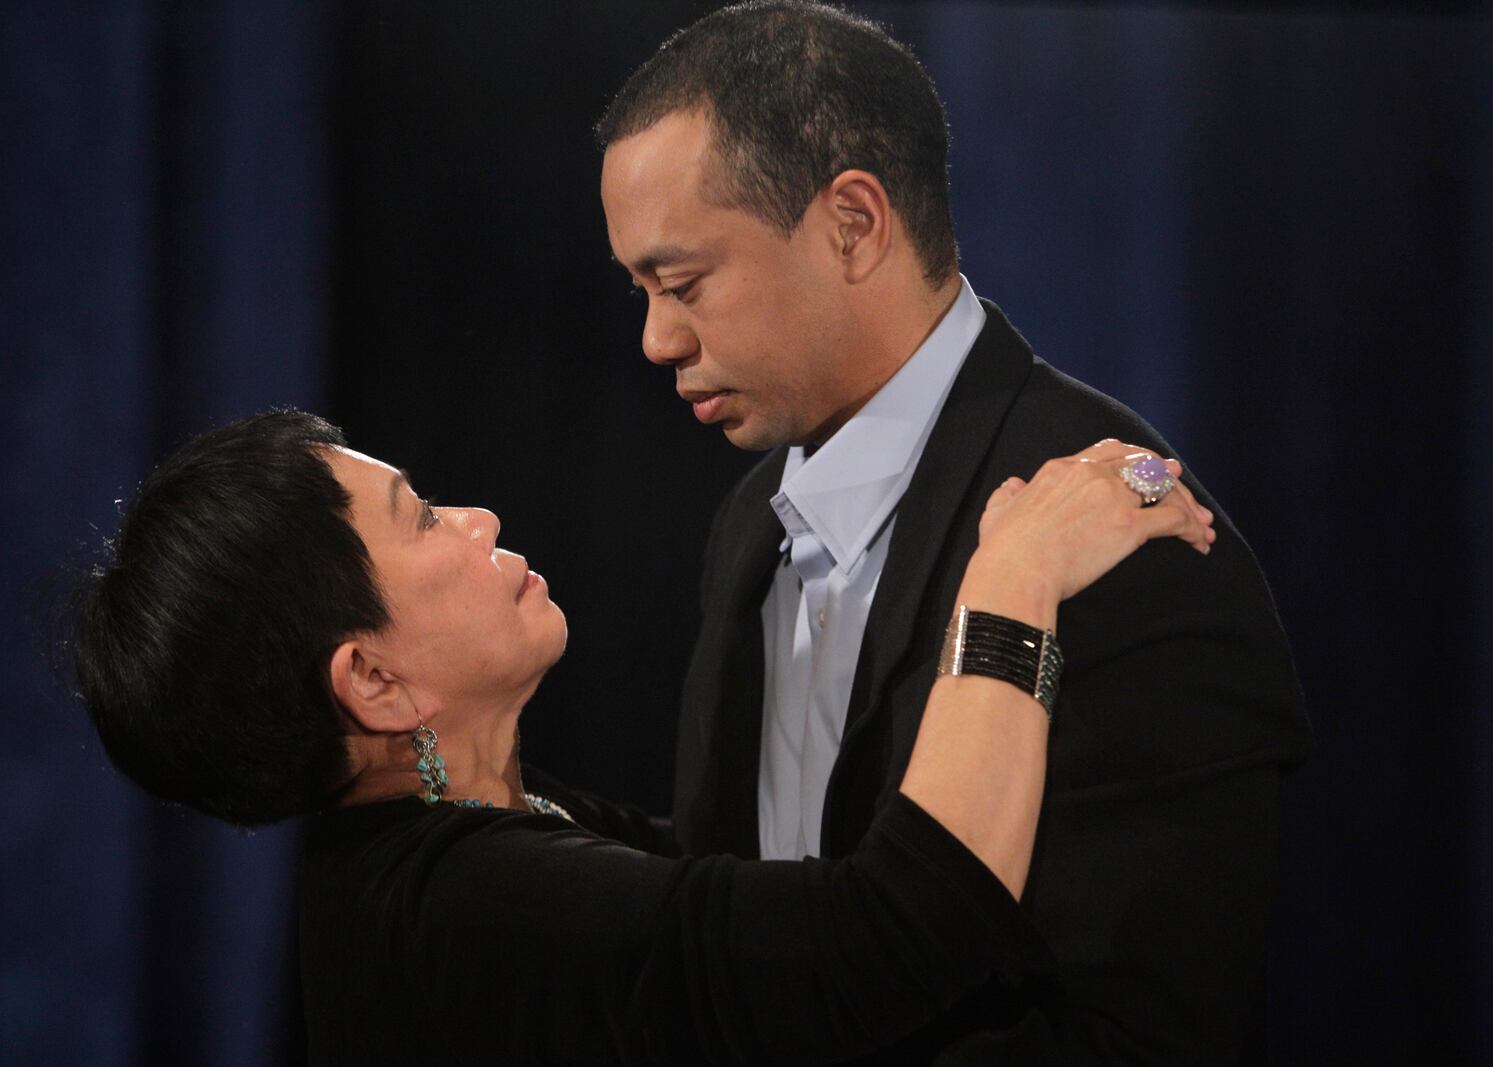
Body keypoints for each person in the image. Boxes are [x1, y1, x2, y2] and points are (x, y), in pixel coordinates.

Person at [596, 2, 1313, 1060]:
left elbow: (1145, 1029)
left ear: (852, 223)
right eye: (641, 291)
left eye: (683, 281)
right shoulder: (749, 527)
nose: (657, 338)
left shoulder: (1124, 539)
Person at [71, 410, 1213, 1064]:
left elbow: (781, 889)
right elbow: (906, 932)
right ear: (372, 679)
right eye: (419, 518)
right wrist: (1014, 578)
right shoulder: (472, 909)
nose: (478, 520)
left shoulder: (465, 845)